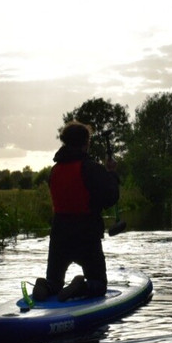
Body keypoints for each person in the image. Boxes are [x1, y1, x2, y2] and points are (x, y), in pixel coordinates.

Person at [32, 121, 120, 303]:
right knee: (99, 284)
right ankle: (82, 286)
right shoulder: (91, 168)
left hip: (59, 235)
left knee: (54, 283)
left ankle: (43, 286)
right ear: (85, 143)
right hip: (86, 235)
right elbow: (110, 198)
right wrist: (111, 173)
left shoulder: (54, 170)